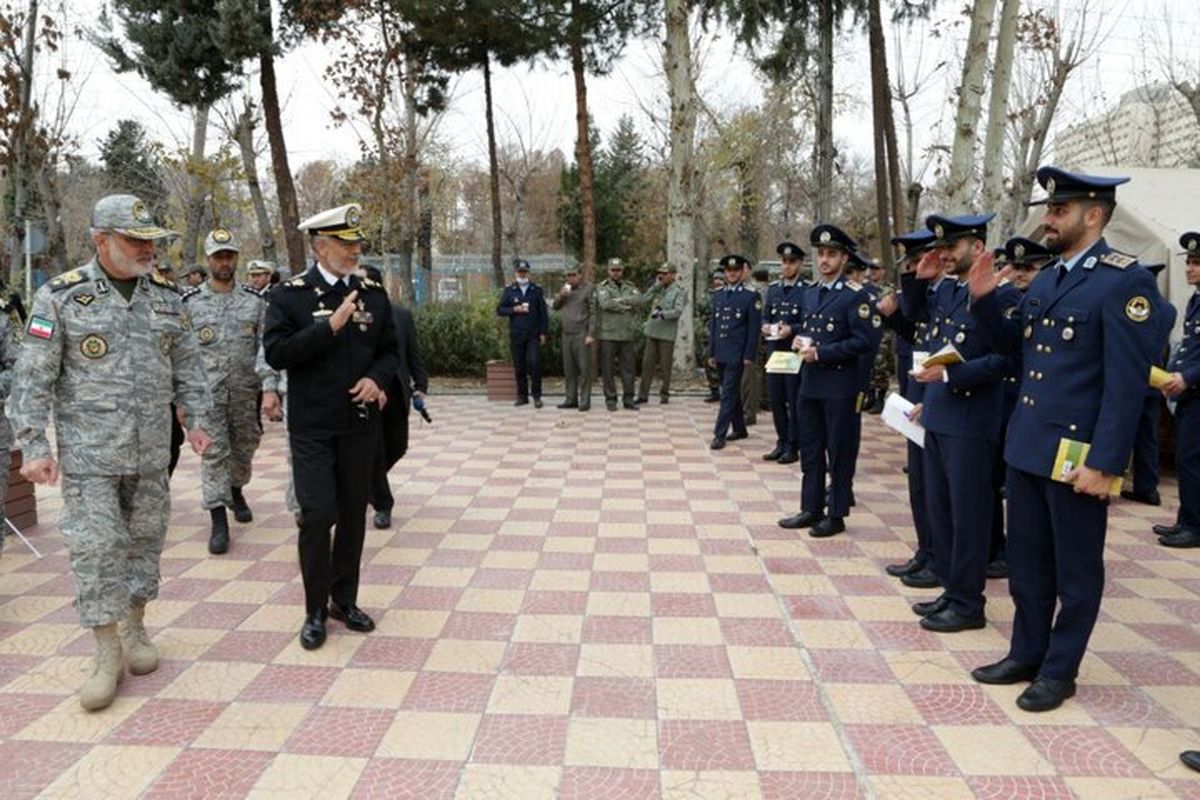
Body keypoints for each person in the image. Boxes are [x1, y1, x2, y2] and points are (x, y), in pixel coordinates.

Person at [8, 194, 213, 710]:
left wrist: (198, 418)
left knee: (145, 544)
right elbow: (32, 379)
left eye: (151, 241)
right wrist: (34, 445)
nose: (147, 250)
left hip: (150, 455)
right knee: (98, 550)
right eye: (134, 240)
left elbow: (189, 365)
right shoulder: (60, 297)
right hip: (89, 457)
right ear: (101, 239)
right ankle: (104, 649)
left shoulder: (166, 298)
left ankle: (135, 627)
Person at [967, 167, 1159, 712]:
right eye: (1048, 210)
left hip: (1077, 457)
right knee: (1027, 564)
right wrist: (983, 301)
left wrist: (1106, 464)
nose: (1048, 220)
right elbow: (1017, 353)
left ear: (1093, 214)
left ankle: (1060, 669)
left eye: (1059, 210)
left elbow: (1126, 386)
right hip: (1029, 447)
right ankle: (1026, 652)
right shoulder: (1048, 279)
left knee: (1076, 572)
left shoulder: (1124, 281)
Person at [263, 202, 399, 651]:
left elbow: (389, 351)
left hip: (359, 424)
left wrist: (376, 379)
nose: (355, 251)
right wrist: (330, 328)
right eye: (346, 244)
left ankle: (345, 600)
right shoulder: (289, 295)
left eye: (357, 244)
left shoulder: (373, 291)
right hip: (313, 427)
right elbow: (278, 354)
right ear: (321, 247)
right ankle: (314, 609)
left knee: (353, 519)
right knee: (318, 515)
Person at [904, 213, 1020, 633]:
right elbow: (913, 325)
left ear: (977, 246)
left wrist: (952, 375)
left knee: (969, 516)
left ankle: (969, 604)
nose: (945, 254)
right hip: (939, 414)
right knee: (942, 513)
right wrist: (920, 280)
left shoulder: (997, 295)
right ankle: (953, 590)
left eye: (953, 247)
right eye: (942, 247)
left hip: (971, 421)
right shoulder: (948, 291)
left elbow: (1006, 358)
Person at [778, 224, 874, 538]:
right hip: (810, 383)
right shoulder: (810, 292)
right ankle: (811, 507)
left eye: (831, 254)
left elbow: (864, 342)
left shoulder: (855, 297)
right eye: (821, 253)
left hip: (839, 385)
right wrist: (799, 341)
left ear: (844, 258)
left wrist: (821, 353)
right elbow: (810, 330)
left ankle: (836, 514)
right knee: (811, 447)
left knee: (839, 450)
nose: (824, 259)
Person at [183, 228, 268, 555]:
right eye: (218, 256)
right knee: (214, 453)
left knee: (246, 446)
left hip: (246, 393)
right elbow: (182, 355)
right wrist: (182, 402)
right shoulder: (189, 304)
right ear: (208, 259)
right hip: (207, 398)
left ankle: (235, 488)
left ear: (236, 259)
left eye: (229, 255)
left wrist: (270, 388)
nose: (224, 261)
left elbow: (264, 346)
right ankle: (218, 519)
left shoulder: (254, 301)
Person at [879, 229, 941, 589]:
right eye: (911, 262)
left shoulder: (947, 294)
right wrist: (891, 316)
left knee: (936, 486)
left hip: (939, 396)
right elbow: (913, 333)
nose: (916, 267)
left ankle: (939, 558)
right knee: (918, 481)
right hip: (917, 393)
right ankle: (925, 551)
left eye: (920, 260)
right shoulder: (925, 294)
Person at [363, 265, 428, 530]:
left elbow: (412, 351)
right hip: (368, 395)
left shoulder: (400, 315)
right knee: (374, 450)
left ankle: (369, 483)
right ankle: (383, 504)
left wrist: (421, 384)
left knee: (398, 445)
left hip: (397, 391)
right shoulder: (354, 316)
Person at [1156, 231, 1200, 548]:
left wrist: (1188, 377)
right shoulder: (1196, 299)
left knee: (1192, 459)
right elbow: (1188, 347)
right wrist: (1171, 375)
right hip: (1189, 393)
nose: (1190, 269)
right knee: (1187, 459)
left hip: (1197, 391)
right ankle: (1187, 519)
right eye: (1190, 263)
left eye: (1197, 263)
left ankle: (1195, 526)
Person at [1122, 261, 1175, 506]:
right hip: (1155, 379)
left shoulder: (1134, 307)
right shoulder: (1168, 309)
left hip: (1130, 378)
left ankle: (1110, 482)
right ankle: (1148, 487)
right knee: (1148, 437)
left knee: (1120, 433)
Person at [708, 254, 761, 449]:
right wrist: (711, 352)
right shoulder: (719, 294)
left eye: (736, 271)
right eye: (729, 271)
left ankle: (719, 434)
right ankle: (740, 428)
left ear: (742, 272)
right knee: (731, 392)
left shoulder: (750, 295)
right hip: (721, 351)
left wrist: (749, 354)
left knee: (728, 394)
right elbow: (714, 325)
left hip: (737, 354)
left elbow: (753, 329)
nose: (732, 274)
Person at [761, 241, 807, 465]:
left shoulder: (806, 290)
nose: (786, 266)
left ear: (800, 263)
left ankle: (793, 444)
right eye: (784, 262)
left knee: (793, 399)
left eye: (791, 262)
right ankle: (781, 441)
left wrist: (792, 329)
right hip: (775, 351)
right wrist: (765, 326)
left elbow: (808, 322)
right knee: (776, 400)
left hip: (792, 352)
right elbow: (766, 317)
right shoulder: (774, 289)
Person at [496, 259, 547, 408]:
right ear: (515, 273)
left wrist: (543, 332)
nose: (522, 274)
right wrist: (513, 310)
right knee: (519, 366)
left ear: (528, 273)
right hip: (517, 334)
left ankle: (537, 396)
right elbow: (500, 309)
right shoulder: (510, 290)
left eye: (524, 272)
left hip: (533, 334)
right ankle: (522, 396)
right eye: (520, 272)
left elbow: (543, 313)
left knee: (535, 364)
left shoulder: (536, 290)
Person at [595, 257, 643, 411]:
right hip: (608, 335)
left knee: (628, 369)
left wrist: (620, 299)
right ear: (608, 271)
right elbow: (605, 304)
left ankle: (628, 399)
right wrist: (625, 306)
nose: (616, 273)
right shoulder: (602, 287)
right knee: (608, 370)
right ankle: (610, 399)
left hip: (626, 334)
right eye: (613, 270)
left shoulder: (630, 286)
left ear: (622, 271)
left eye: (618, 270)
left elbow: (638, 300)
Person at [637, 262, 686, 404]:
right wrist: (655, 286)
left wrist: (662, 314)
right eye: (660, 273)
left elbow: (677, 311)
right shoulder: (658, 288)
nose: (661, 276)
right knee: (647, 364)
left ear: (673, 275)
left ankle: (664, 394)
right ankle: (642, 395)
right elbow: (644, 299)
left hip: (667, 333)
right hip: (652, 331)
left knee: (665, 366)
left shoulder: (679, 290)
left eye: (665, 273)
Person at [552, 263, 596, 411]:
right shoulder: (565, 290)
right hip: (566, 333)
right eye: (568, 275)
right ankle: (571, 399)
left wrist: (590, 334)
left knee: (584, 369)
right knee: (569, 369)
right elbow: (555, 306)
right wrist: (561, 296)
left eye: (573, 275)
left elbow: (593, 313)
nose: (570, 278)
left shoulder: (588, 289)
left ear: (580, 275)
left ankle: (584, 401)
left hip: (581, 334)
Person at [739, 265, 770, 425]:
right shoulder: (742, 290)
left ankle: (750, 411)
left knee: (751, 376)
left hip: (755, 337)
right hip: (744, 339)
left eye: (741, 269)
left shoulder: (755, 292)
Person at [696, 269, 725, 402]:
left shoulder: (727, 294)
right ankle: (714, 390)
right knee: (707, 360)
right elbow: (700, 309)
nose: (717, 281)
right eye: (715, 279)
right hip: (709, 333)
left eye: (720, 279)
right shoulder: (708, 295)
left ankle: (725, 389)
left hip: (724, 334)